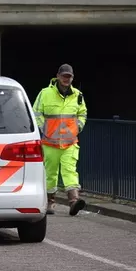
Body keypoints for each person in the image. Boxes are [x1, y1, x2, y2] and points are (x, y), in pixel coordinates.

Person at [32, 63, 88, 216]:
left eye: (69, 77)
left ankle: (74, 201)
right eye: (64, 76)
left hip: (70, 142)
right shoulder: (45, 93)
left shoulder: (78, 95)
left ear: (72, 78)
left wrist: (78, 127)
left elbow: (82, 113)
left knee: (70, 171)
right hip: (50, 142)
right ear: (57, 76)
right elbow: (36, 112)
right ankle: (50, 202)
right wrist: (44, 129)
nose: (66, 79)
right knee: (50, 173)